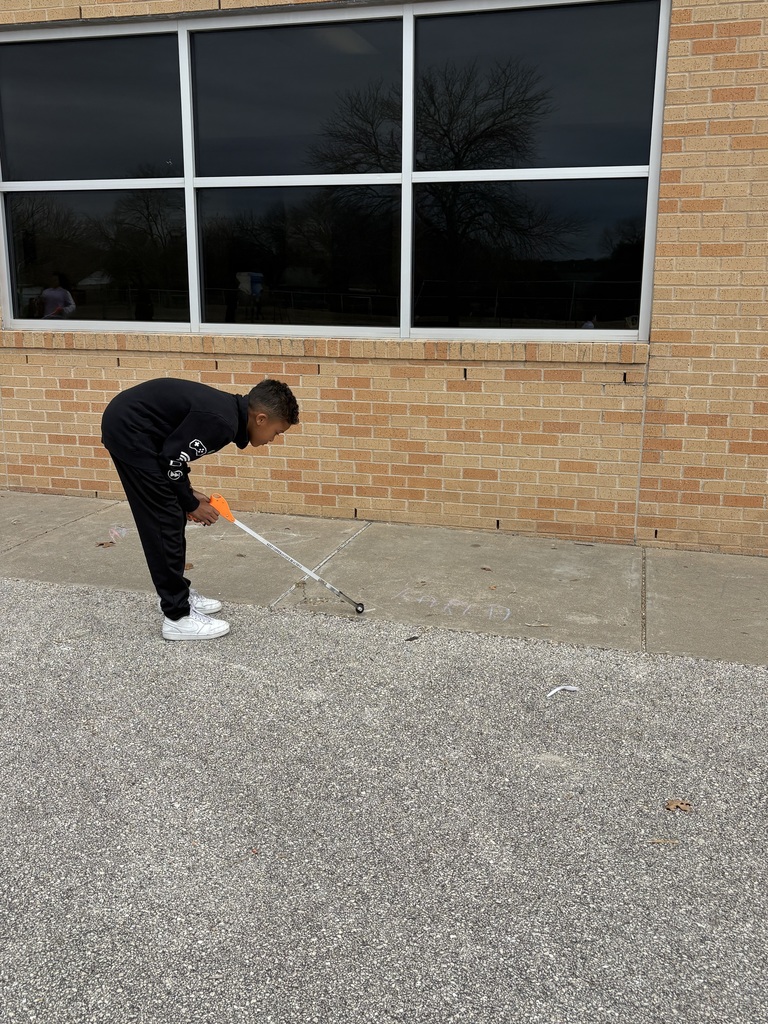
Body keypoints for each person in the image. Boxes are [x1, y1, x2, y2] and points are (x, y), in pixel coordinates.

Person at [101, 377, 300, 641]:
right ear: (261, 419)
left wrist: (188, 493)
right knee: (165, 519)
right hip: (130, 432)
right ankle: (177, 617)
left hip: (142, 432)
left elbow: (174, 455)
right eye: (277, 432)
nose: (273, 439)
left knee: (171, 511)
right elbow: (171, 459)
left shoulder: (226, 415)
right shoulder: (222, 423)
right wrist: (191, 503)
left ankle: (179, 594)